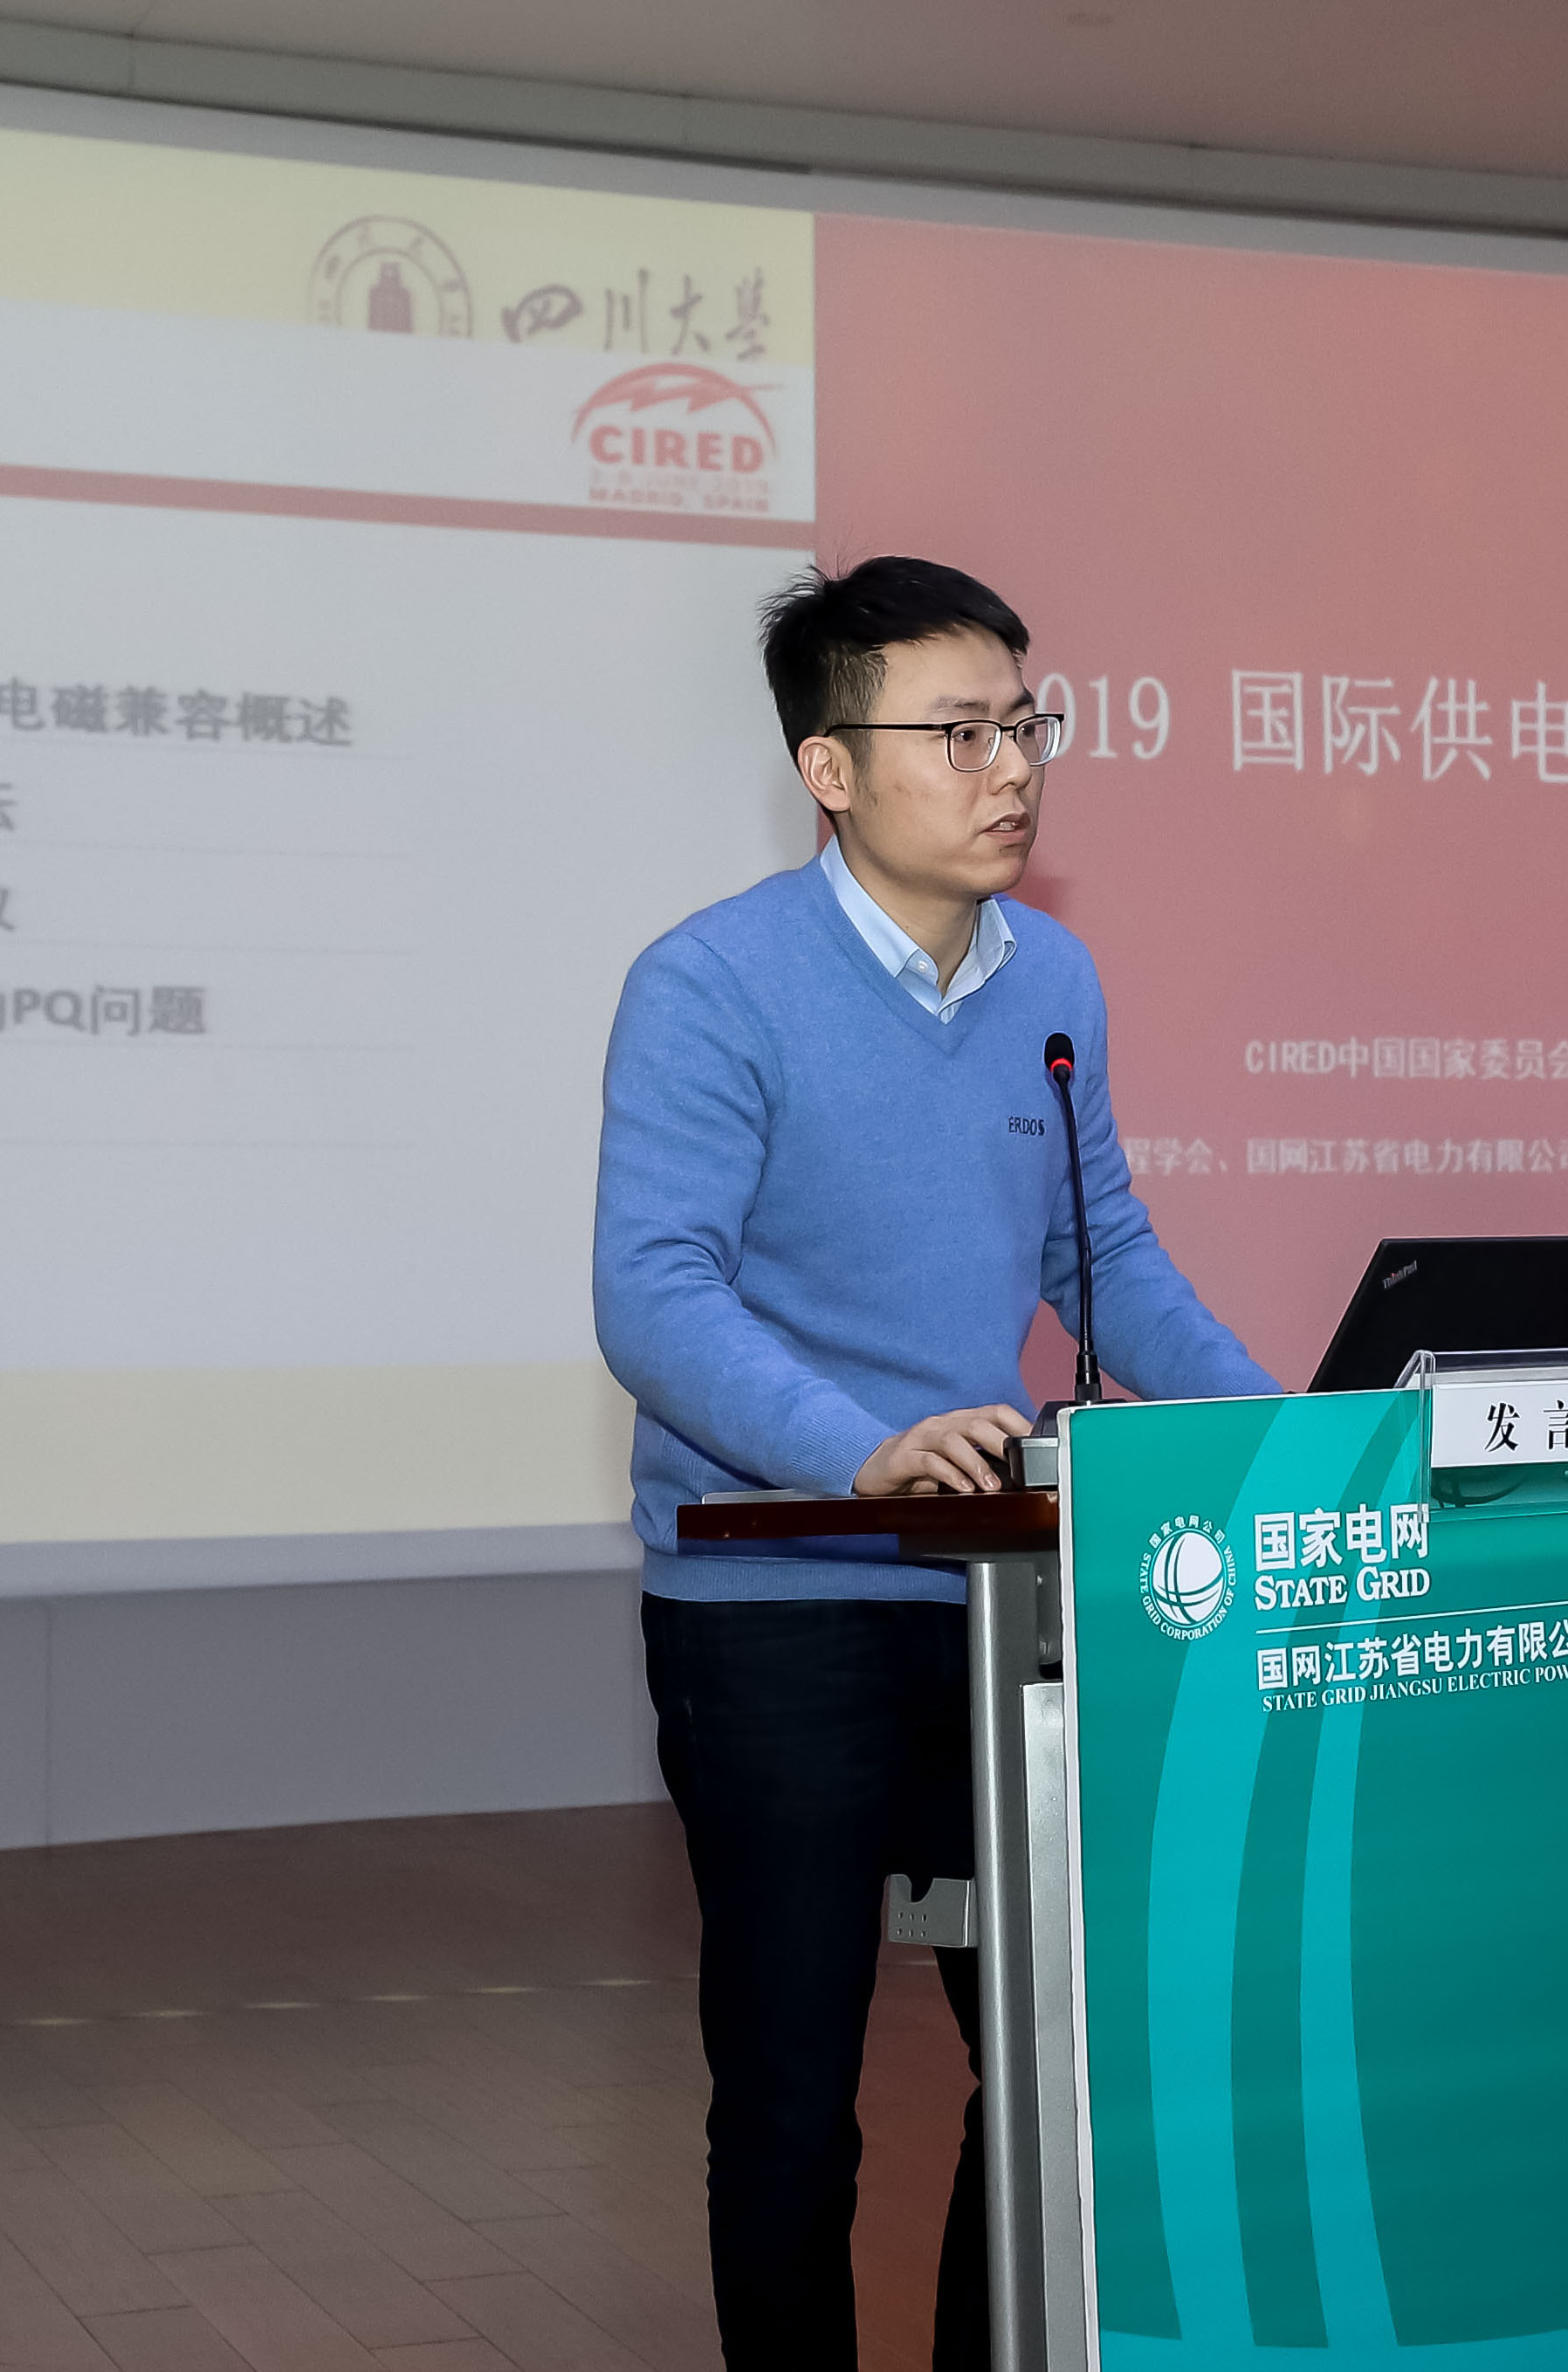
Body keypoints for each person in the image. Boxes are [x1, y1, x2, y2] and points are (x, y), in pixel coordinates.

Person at [593, 556, 1275, 2368]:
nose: (1012, 769)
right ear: (830, 769)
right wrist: (862, 1451)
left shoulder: (1053, 976)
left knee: (1059, 2058)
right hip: (776, 1599)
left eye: (1025, 725)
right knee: (794, 2095)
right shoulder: (711, 983)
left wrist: (1283, 1427)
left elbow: (1100, 1252)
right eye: (959, 733)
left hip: (999, 1598)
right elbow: (654, 1296)